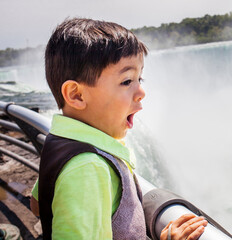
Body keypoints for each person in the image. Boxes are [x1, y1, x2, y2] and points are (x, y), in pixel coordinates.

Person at [30, 18, 207, 240]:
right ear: (76, 95)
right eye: (127, 81)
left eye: (139, 78)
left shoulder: (61, 142)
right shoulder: (88, 167)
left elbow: (38, 204)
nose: (141, 91)